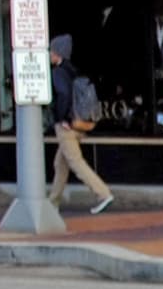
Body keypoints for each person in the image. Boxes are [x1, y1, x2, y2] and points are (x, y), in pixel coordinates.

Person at [48, 34, 115, 214]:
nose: (49, 54)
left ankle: (103, 193)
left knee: (76, 163)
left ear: (58, 53)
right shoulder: (73, 70)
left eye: (51, 50)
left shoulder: (58, 72)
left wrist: (62, 119)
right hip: (79, 123)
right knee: (60, 164)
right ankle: (52, 202)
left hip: (66, 126)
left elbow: (63, 95)